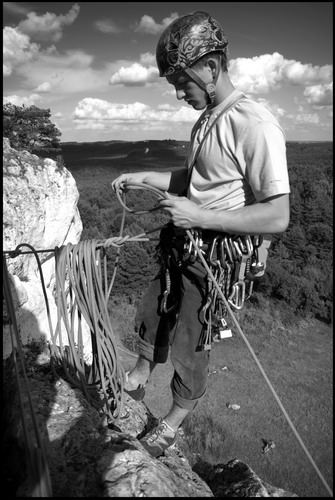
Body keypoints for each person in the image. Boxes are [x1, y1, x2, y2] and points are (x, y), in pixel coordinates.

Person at [111, 10, 290, 458]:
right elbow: (195, 181)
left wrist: (198, 217)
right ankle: (137, 376)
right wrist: (146, 176)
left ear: (210, 68)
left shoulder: (255, 124)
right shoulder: (208, 118)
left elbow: (277, 215)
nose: (177, 93)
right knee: (153, 308)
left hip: (211, 257)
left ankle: (172, 422)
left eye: (182, 81)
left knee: (192, 338)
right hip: (183, 242)